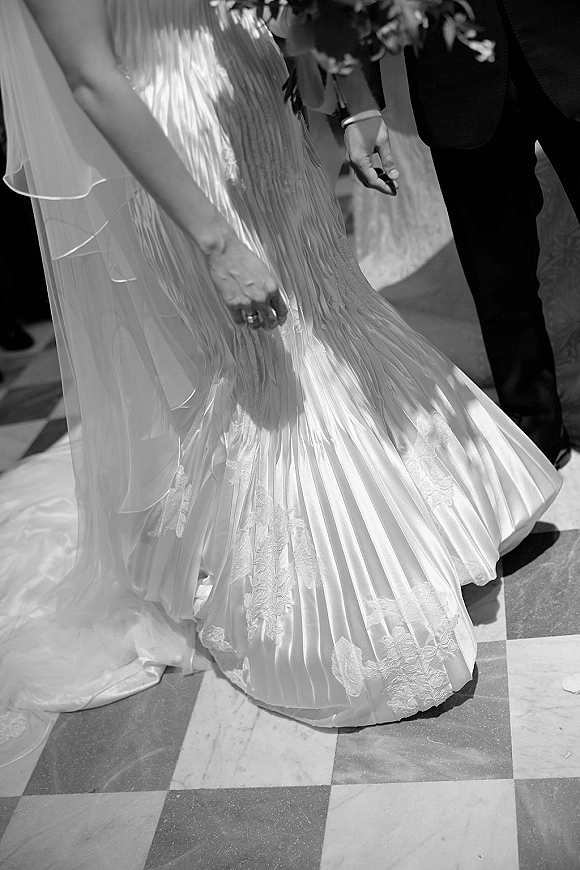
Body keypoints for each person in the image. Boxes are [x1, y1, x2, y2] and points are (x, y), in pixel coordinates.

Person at [0, 0, 561, 765]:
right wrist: (214, 240)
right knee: (276, 361)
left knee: (331, 300)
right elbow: (92, 77)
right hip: (180, 142)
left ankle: (426, 525)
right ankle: (339, 594)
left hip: (257, 90)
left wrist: (355, 100)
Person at [347, 0, 580, 468]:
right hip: (454, 77)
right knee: (499, 278)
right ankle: (535, 436)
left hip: (567, 33)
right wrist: (361, 105)